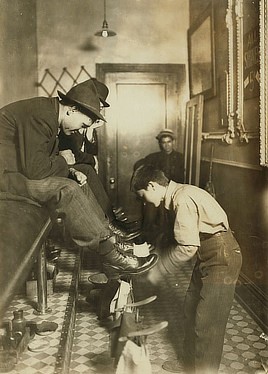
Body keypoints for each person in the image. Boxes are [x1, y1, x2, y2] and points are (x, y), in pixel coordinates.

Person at [0, 79, 157, 275]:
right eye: (83, 125)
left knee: (77, 179)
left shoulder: (51, 113)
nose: (80, 131)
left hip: (16, 172)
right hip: (5, 179)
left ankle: (111, 241)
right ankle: (112, 256)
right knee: (68, 190)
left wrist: (71, 170)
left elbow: (41, 160)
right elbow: (35, 170)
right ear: (72, 109)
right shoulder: (40, 116)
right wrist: (65, 162)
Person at [130, 165, 242, 374]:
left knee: (207, 323)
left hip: (221, 256)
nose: (144, 202)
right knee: (191, 310)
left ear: (152, 185)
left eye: (143, 196)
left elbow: (188, 247)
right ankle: (189, 364)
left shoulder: (182, 199)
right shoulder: (179, 194)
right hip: (208, 254)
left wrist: (159, 270)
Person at [58, 78, 140, 234]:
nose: (99, 110)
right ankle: (109, 222)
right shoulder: (71, 122)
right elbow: (76, 155)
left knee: (90, 169)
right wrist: (92, 159)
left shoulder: (86, 122)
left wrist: (89, 131)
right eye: (100, 105)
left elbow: (93, 150)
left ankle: (110, 217)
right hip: (64, 164)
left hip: (75, 164)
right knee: (88, 169)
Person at [134, 129, 184, 243]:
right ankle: (146, 243)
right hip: (155, 192)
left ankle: (165, 244)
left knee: (167, 221)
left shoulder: (180, 158)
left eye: (169, 142)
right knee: (149, 216)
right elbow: (139, 165)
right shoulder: (154, 157)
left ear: (173, 142)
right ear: (160, 144)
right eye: (164, 142)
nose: (167, 145)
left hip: (171, 193)